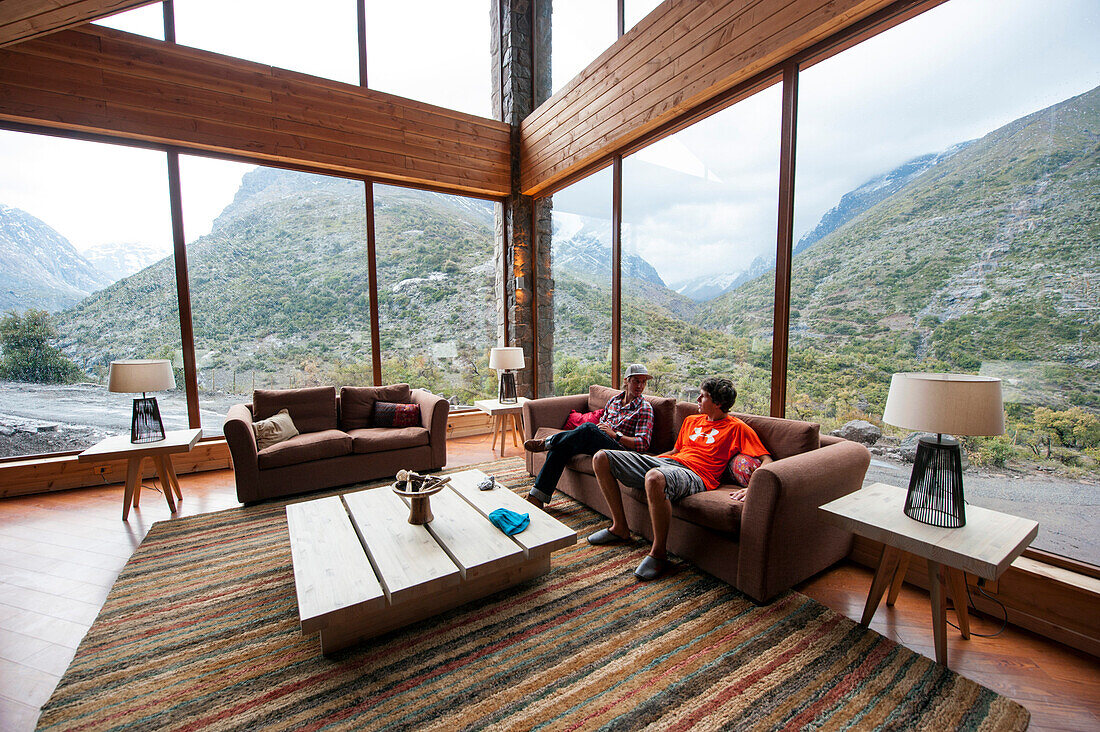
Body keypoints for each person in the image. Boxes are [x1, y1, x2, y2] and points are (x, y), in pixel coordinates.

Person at [586, 376, 773, 581]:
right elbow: (675, 451)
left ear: (718, 403)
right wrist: (644, 460)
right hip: (670, 463)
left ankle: (659, 553)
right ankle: (620, 528)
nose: (698, 400)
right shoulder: (691, 421)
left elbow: (767, 460)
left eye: (703, 397)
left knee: (655, 478)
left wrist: (753, 487)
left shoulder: (737, 428)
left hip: (698, 475)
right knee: (602, 457)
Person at [523, 363, 656, 509]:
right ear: (626, 381)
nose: (640, 386)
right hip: (601, 442)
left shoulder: (644, 408)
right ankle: (537, 497)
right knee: (562, 447)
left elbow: (643, 444)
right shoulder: (614, 401)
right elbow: (603, 424)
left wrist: (615, 435)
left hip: (621, 451)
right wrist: (604, 432)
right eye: (636, 381)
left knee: (588, 428)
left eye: (643, 382)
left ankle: (549, 442)